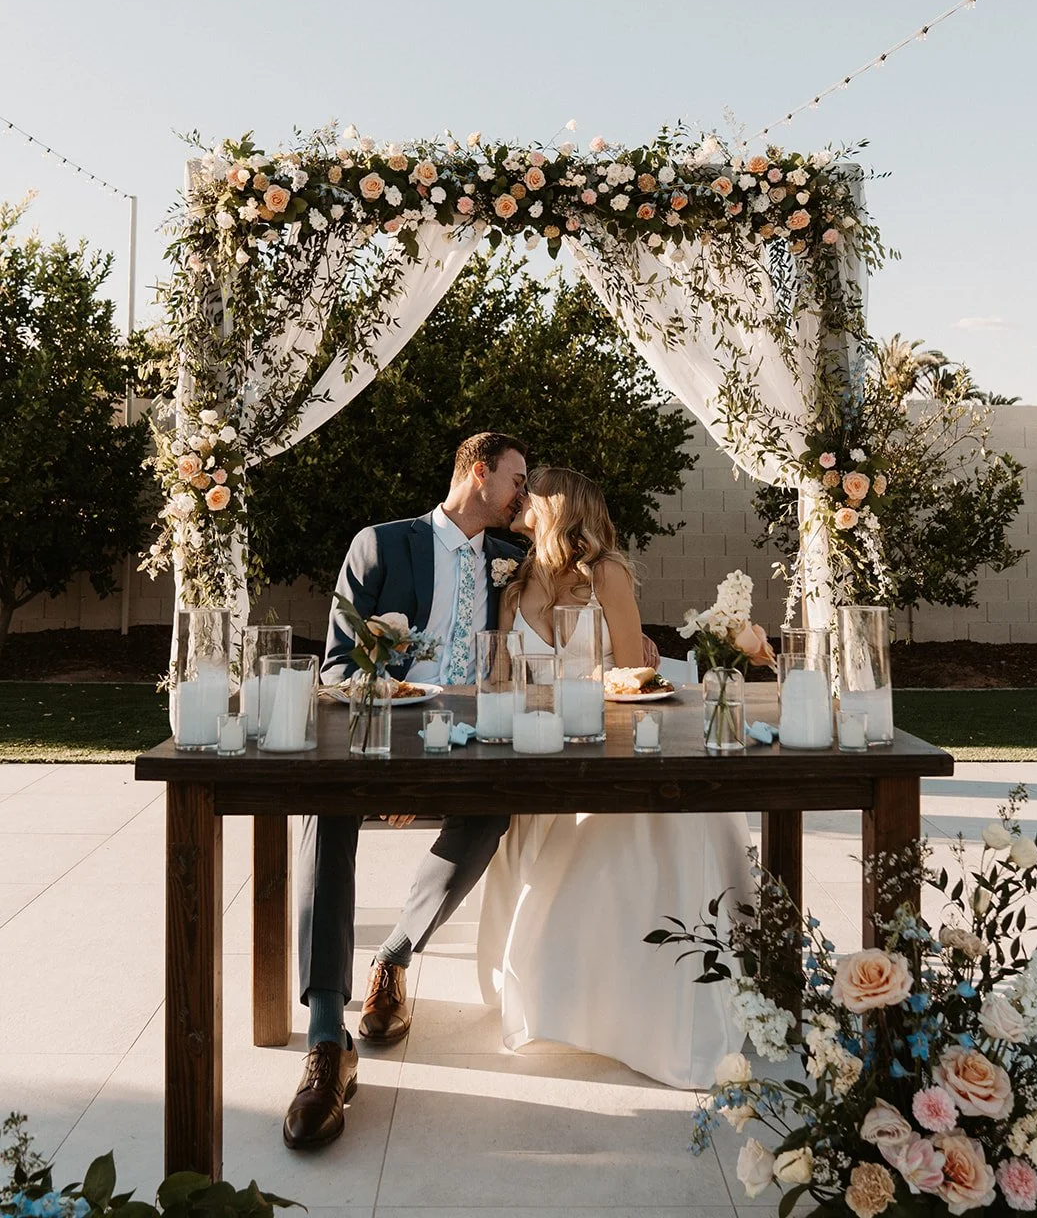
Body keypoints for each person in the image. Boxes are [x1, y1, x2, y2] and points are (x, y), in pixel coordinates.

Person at [284, 431, 529, 1150]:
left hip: (470, 747)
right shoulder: (382, 545)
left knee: (493, 807)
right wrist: (392, 749)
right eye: (516, 479)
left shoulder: (513, 560)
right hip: (380, 737)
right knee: (326, 809)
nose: (523, 495)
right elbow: (335, 668)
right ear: (479, 473)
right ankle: (327, 1039)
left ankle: (392, 957)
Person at [477, 465, 751, 1089]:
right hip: (535, 746)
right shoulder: (512, 584)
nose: (520, 499)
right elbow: (499, 674)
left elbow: (634, 675)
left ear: (561, 505)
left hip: (606, 744)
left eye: (532, 491)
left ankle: (624, 1007)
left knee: (609, 844)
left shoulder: (608, 575)